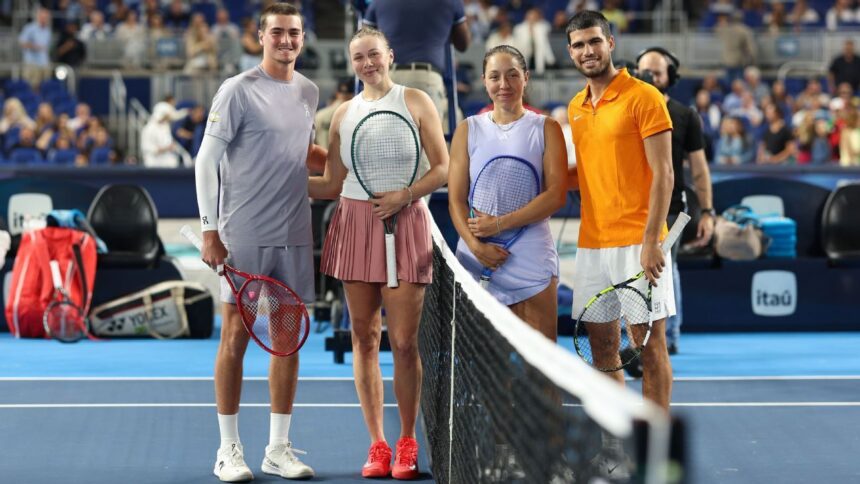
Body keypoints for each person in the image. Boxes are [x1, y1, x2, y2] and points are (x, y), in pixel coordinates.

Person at [192, 4, 327, 481]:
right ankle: (228, 450)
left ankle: (277, 449)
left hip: (294, 233)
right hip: (243, 236)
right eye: (277, 32)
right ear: (261, 36)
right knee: (235, 338)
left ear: (302, 38)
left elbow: (299, 151)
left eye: (294, 33)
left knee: (287, 343)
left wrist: (343, 159)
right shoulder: (236, 90)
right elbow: (205, 161)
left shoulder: (309, 91)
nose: (286, 40)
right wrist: (210, 230)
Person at [311, 27, 449, 480]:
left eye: (373, 54)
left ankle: (407, 441)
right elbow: (331, 183)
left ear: (390, 55)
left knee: (404, 343)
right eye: (359, 58)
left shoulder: (417, 101)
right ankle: (377, 443)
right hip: (355, 223)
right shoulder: (343, 113)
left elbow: (443, 168)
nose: (367, 63)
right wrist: (274, 179)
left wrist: (405, 195)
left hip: (406, 220)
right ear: (352, 64)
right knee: (364, 338)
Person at [565, 11, 675, 412]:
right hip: (592, 244)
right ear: (570, 52)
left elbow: (664, 173)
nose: (588, 51)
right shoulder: (575, 107)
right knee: (603, 349)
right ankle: (617, 437)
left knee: (648, 346)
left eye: (595, 41)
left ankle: (656, 440)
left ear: (610, 43)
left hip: (637, 241)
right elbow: (588, 172)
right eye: (579, 45)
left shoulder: (644, 97)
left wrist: (651, 241)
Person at [449, 44, 567, 340]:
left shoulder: (547, 128)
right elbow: (456, 199)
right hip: (475, 256)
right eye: (495, 76)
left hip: (531, 257)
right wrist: (476, 247)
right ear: (484, 81)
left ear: (526, 77)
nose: (504, 84)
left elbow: (556, 196)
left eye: (513, 75)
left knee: (540, 359)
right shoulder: (467, 129)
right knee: (480, 359)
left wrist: (499, 224)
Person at [637, 48, 715, 355]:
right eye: (644, 71)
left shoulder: (685, 115)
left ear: (670, 76)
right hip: (634, 208)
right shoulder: (628, 110)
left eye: (656, 72)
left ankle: (669, 336)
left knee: (666, 267)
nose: (650, 77)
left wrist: (707, 211)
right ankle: (641, 335)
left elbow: (699, 169)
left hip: (672, 209)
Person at [363, 0, 471, 138]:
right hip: (425, 78)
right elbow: (463, 44)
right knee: (427, 145)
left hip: (387, 78)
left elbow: (363, 39)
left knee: (386, 140)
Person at [18, 7, 52, 90]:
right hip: (31, 62)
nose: (45, 19)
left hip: (44, 63)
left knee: (45, 87)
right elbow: (22, 43)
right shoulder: (30, 28)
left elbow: (46, 47)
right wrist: (35, 46)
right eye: (43, 17)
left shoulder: (47, 31)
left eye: (47, 17)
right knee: (30, 87)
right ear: (38, 17)